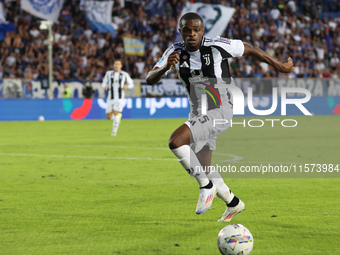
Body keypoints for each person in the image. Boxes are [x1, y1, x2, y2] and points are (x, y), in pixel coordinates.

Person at [146, 12, 294, 221]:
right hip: (198, 111)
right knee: (202, 166)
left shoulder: (216, 46)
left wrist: (279, 66)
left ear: (202, 31)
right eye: (187, 30)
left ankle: (206, 187)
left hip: (221, 109)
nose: (192, 34)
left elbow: (249, 49)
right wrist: (164, 68)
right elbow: (150, 78)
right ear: (180, 31)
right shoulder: (174, 51)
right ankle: (233, 203)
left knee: (176, 141)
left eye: (196, 30)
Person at [102, 60, 134, 136]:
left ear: (121, 66)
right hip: (110, 97)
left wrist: (127, 86)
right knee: (109, 116)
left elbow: (131, 84)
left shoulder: (124, 74)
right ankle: (118, 116)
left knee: (116, 112)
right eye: (115, 64)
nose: (116, 65)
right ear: (113, 65)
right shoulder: (108, 74)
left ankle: (114, 132)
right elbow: (104, 82)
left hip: (119, 98)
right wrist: (105, 86)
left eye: (118, 64)